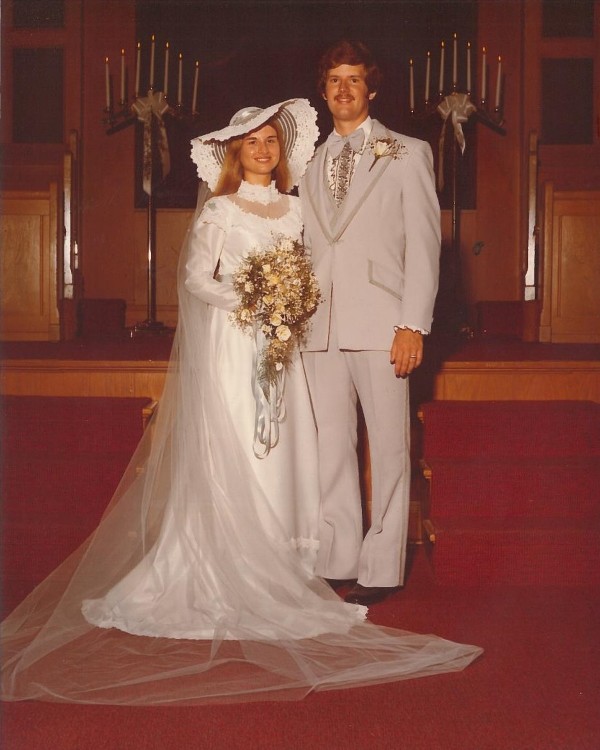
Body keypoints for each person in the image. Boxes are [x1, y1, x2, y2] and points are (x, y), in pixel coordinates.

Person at [1, 100, 480, 706]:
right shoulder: (221, 209)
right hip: (238, 341)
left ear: (282, 150)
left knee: (291, 447)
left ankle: (286, 566)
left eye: (270, 141)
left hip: (287, 343)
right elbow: (196, 278)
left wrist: (292, 305)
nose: (261, 149)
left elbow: (323, 262)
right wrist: (253, 299)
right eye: (250, 142)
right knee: (242, 446)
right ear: (234, 152)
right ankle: (224, 563)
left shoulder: (297, 206)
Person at [300, 40, 441, 606]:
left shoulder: (407, 153)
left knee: (387, 447)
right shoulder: (306, 162)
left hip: (384, 324)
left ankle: (381, 568)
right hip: (319, 327)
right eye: (334, 79)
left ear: (371, 89)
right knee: (331, 446)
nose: (344, 89)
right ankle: (337, 557)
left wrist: (413, 324)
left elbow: (425, 246)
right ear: (323, 90)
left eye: (354, 79)